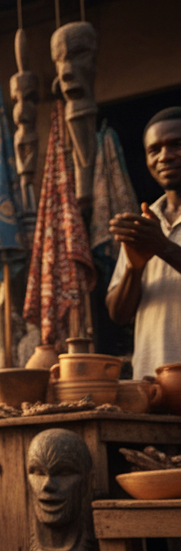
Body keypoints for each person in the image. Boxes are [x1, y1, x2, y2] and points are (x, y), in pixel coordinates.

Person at [107, 107, 181, 379]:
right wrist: (134, 269)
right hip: (150, 386)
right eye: (154, 149)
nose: (165, 156)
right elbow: (119, 314)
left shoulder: (151, 235)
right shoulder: (145, 223)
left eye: (177, 144)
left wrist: (163, 248)